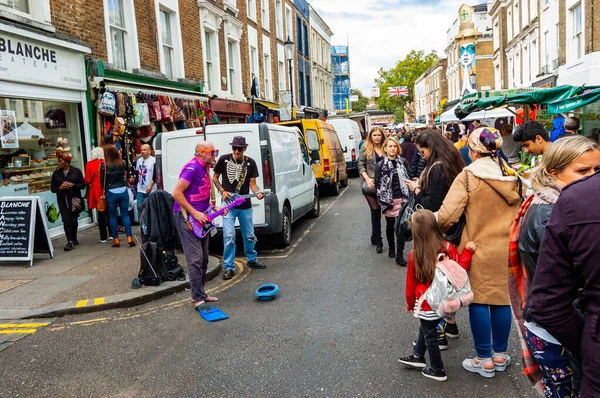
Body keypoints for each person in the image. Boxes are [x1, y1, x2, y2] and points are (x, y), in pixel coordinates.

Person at [515, 136, 600, 396]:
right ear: (555, 173)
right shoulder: (552, 213)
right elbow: (555, 294)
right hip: (558, 331)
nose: (591, 178)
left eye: (597, 170)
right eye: (583, 171)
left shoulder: (551, 203)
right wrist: (587, 341)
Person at [438, 126, 522, 378]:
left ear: (474, 151)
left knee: (478, 299)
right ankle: (500, 354)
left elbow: (447, 216)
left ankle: (483, 358)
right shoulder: (512, 176)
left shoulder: (468, 176)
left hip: (476, 248)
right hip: (507, 248)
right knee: (501, 299)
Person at [398, 209, 476, 382]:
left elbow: (410, 285)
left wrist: (410, 303)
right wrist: (468, 253)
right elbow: (459, 267)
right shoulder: (447, 247)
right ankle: (418, 355)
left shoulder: (414, 256)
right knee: (427, 328)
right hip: (444, 301)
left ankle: (437, 368)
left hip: (426, 303)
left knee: (430, 335)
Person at [172, 141, 221, 308]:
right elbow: (176, 193)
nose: (215, 155)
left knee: (204, 258)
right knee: (195, 259)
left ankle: (201, 293)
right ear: (202, 153)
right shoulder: (192, 168)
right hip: (187, 218)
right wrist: (194, 213)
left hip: (202, 218)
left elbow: (200, 194)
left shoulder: (205, 169)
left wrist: (214, 207)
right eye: (212, 152)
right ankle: (197, 297)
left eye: (215, 151)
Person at [212, 136, 266, 280]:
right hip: (228, 205)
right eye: (234, 148)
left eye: (239, 149)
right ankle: (229, 267)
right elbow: (215, 178)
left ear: (244, 149)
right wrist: (222, 191)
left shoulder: (250, 163)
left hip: (245, 205)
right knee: (229, 236)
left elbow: (253, 184)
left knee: (249, 235)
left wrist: (258, 193)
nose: (236, 151)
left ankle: (252, 259)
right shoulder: (223, 160)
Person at [374, 137, 411, 266]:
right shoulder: (380, 165)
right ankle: (391, 248)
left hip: (402, 199)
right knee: (390, 226)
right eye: (390, 146)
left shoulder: (403, 162)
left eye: (394, 146)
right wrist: (382, 199)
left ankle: (399, 255)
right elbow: (377, 183)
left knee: (400, 227)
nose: (393, 148)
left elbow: (409, 177)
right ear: (385, 148)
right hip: (389, 200)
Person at [50, 152, 85, 251]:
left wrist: (73, 185)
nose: (58, 163)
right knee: (66, 220)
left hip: (74, 199)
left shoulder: (76, 171)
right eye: (58, 161)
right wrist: (60, 188)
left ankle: (74, 238)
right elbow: (52, 188)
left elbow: (82, 185)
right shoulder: (56, 173)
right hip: (62, 200)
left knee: (74, 219)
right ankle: (69, 241)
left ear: (66, 162)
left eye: (60, 161)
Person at [101, 145, 135, 248]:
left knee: (112, 216)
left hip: (111, 191)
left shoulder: (104, 165)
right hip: (123, 190)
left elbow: (102, 181)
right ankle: (129, 237)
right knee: (125, 215)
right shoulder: (122, 163)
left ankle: (116, 239)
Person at [358, 127, 385, 253]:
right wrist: (367, 179)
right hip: (369, 184)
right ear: (371, 136)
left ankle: (374, 235)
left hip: (384, 184)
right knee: (375, 210)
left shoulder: (386, 147)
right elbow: (360, 165)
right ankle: (378, 240)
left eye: (379, 135)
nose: (377, 137)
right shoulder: (365, 147)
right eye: (374, 135)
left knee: (385, 211)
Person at [85, 147, 108, 242]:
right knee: (110, 212)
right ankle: (112, 234)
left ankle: (103, 237)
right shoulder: (106, 163)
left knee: (100, 213)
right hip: (106, 189)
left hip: (95, 191)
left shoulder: (89, 164)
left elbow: (87, 180)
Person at [135, 144, 156, 217]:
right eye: (141, 150)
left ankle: (150, 225)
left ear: (150, 151)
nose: (142, 151)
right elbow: (138, 173)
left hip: (151, 189)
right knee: (139, 207)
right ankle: (142, 226)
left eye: (145, 150)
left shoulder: (153, 161)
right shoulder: (139, 161)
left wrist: (150, 186)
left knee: (151, 209)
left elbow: (155, 175)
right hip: (140, 189)